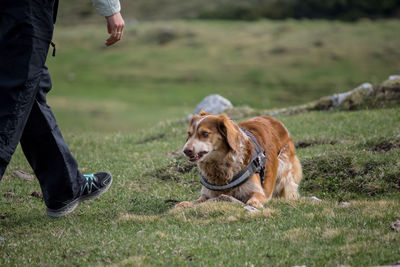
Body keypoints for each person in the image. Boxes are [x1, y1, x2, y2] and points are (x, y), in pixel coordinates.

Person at [0, 0, 125, 217]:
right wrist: (111, 9)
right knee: (12, 103)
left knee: (30, 91)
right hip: (26, 10)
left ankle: (64, 188)